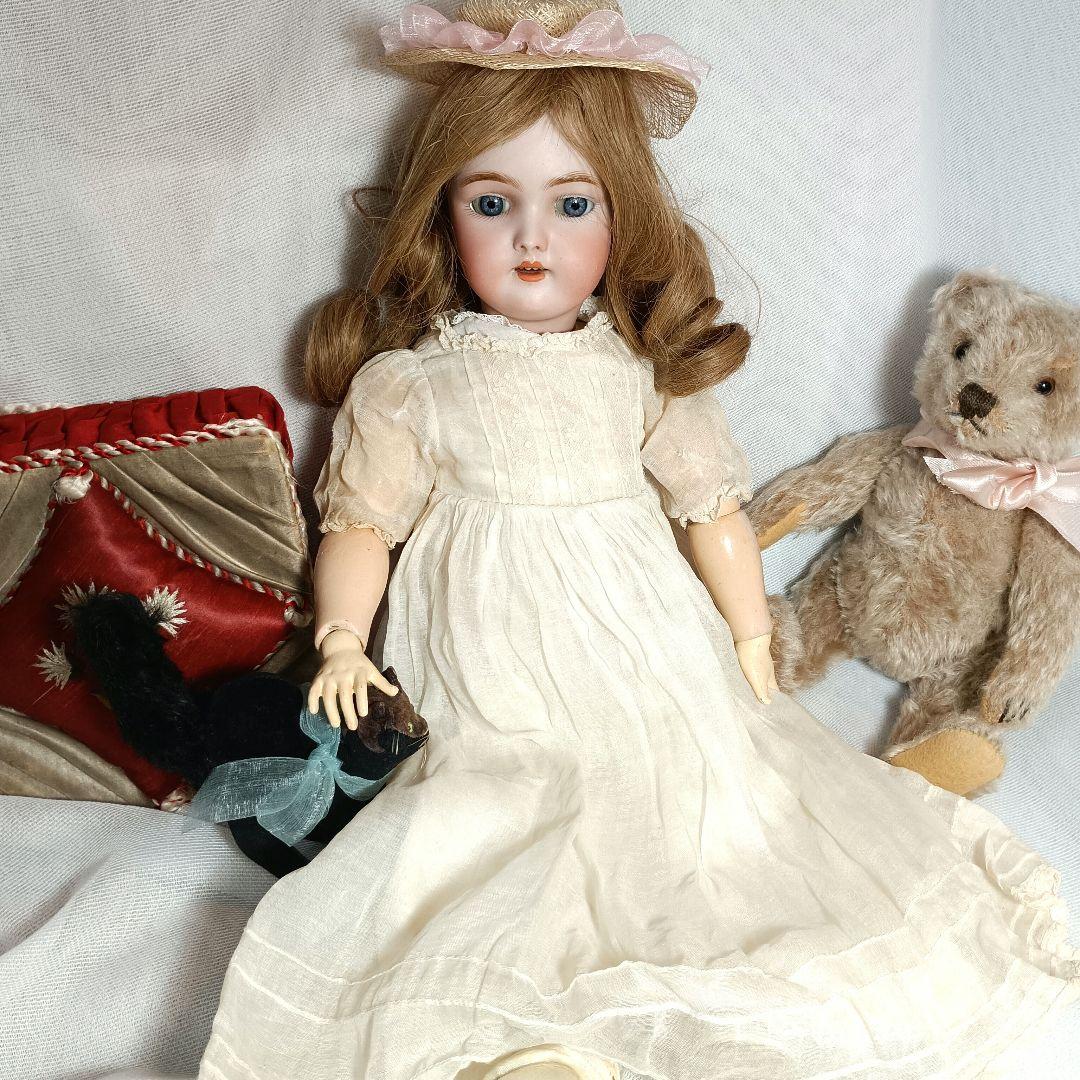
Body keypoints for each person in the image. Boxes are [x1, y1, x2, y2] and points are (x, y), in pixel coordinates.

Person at [198, 3, 1079, 1077]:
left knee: (699, 797)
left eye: (573, 204)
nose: (533, 238)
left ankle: (619, 1010)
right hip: (488, 643)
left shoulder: (633, 372)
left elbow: (711, 515)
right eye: (492, 202)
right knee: (494, 812)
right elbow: (362, 526)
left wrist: (749, 633)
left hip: (639, 630)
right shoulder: (411, 385)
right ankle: (524, 1028)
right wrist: (341, 639)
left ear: (621, 219)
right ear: (443, 216)